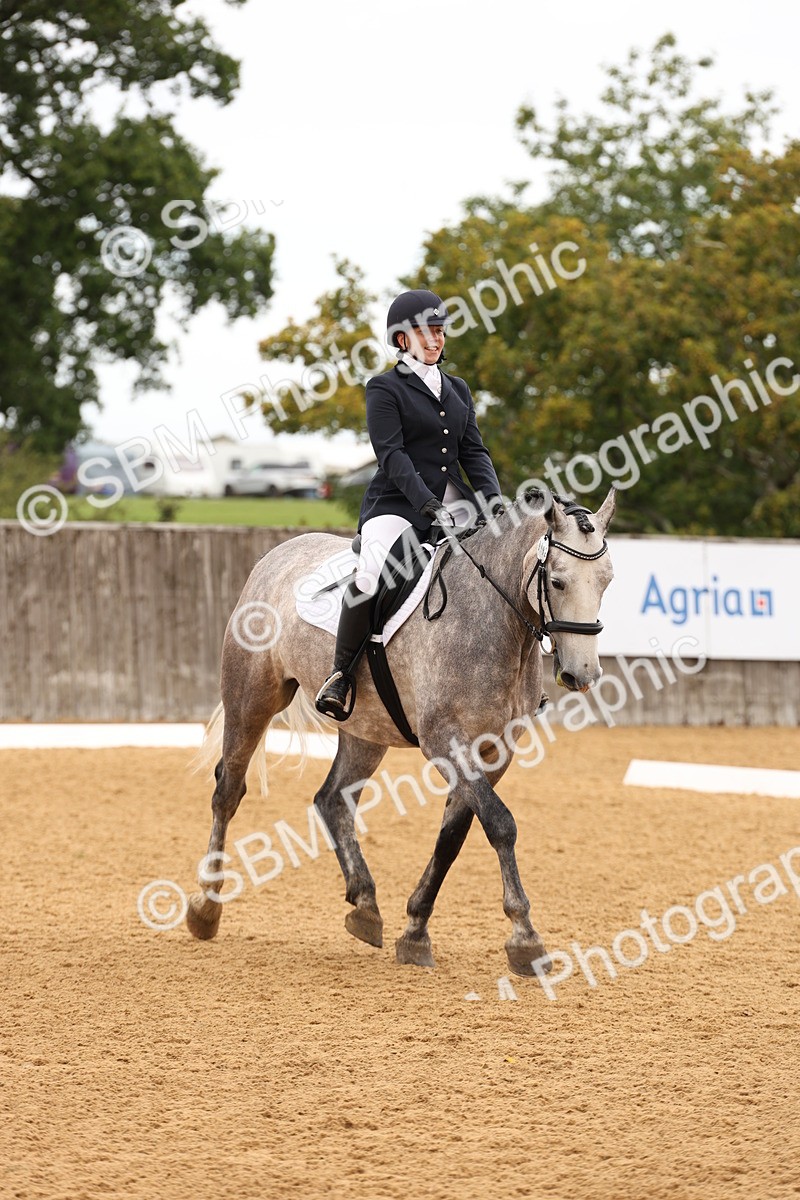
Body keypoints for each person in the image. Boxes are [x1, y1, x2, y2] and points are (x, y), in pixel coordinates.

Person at [315, 288, 504, 720]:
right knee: (371, 572)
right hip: (397, 502)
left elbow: (473, 452)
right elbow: (392, 455)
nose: (436, 340)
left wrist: (493, 500)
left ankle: (512, 678)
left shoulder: (458, 389)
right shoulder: (384, 388)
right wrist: (425, 503)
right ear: (402, 339)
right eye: (426, 332)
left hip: (454, 500)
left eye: (440, 332)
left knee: (502, 561)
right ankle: (341, 674)